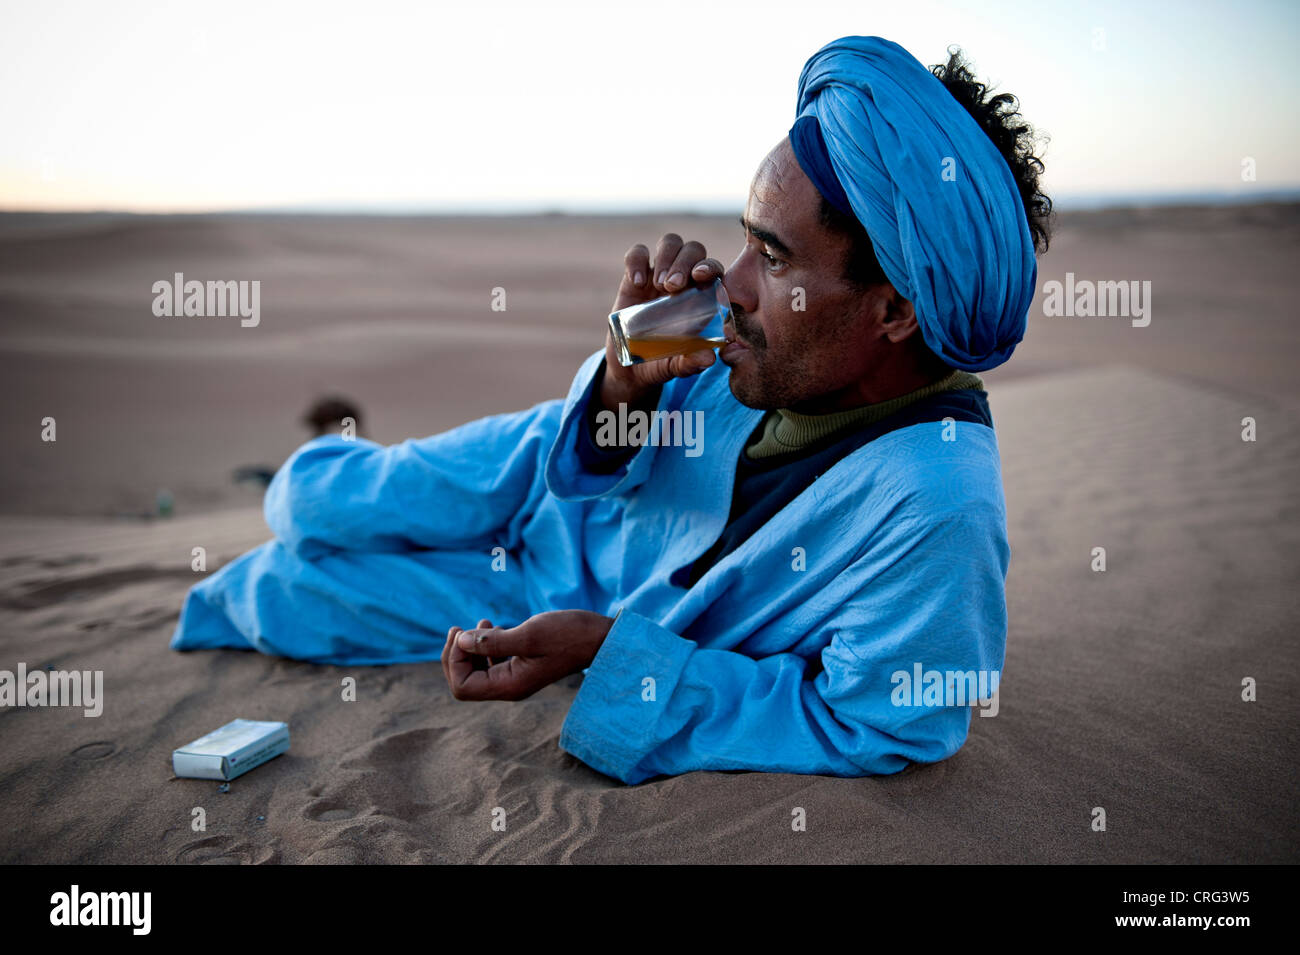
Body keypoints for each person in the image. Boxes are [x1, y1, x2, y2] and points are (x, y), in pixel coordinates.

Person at [171, 35, 1052, 785]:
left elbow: (874, 725)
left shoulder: (937, 505)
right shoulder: (747, 331)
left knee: (279, 595)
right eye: (744, 239)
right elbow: (603, 434)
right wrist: (626, 375)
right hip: (527, 478)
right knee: (307, 499)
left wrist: (606, 651)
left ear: (896, 308)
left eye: (774, 260)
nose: (733, 283)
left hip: (533, 596)